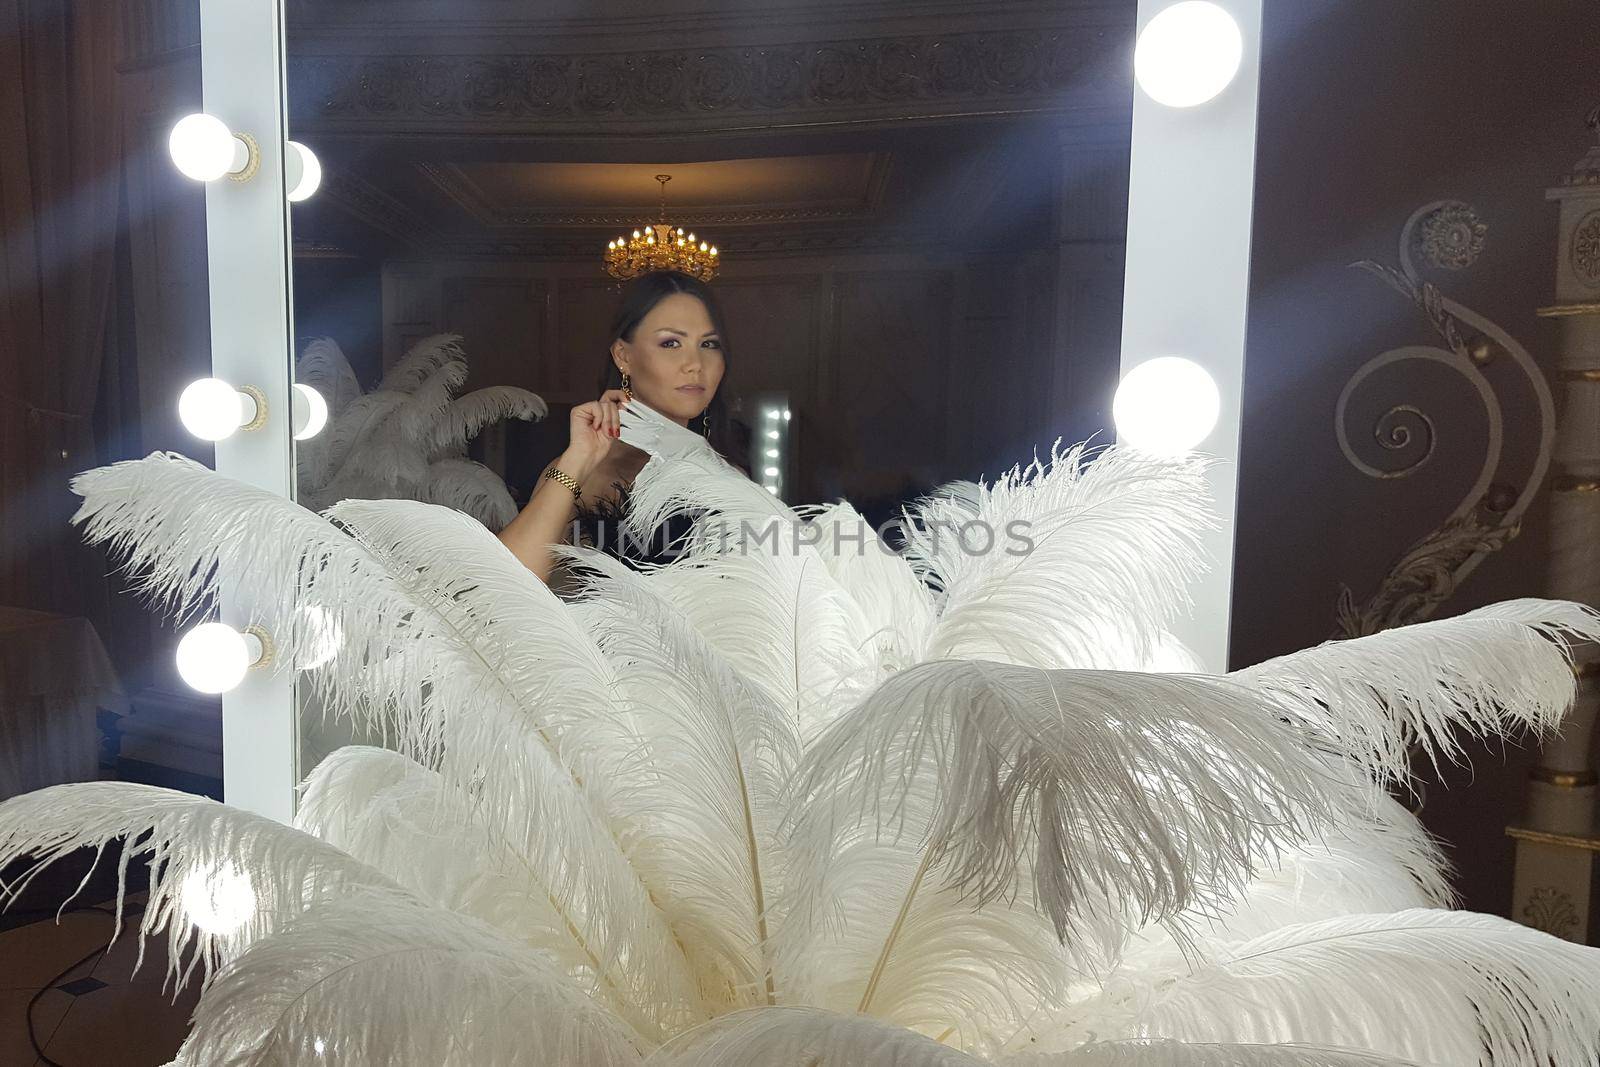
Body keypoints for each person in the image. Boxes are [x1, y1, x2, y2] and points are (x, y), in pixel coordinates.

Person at [496, 270, 744, 586]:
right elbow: (505, 586)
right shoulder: (582, 470)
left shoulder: (728, 477)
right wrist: (578, 459)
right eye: (671, 343)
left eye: (709, 343)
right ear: (623, 356)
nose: (695, 363)